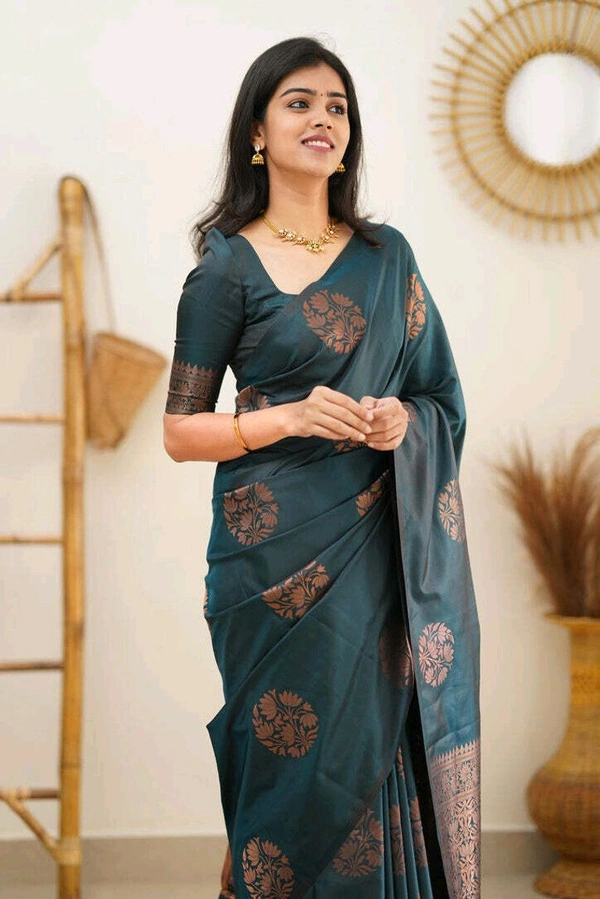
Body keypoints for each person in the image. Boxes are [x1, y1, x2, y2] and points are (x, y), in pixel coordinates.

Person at [164, 36, 480, 899]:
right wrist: (289, 416)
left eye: (337, 106)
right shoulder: (225, 268)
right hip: (268, 567)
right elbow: (180, 431)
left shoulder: (388, 259)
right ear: (256, 132)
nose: (322, 119)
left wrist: (402, 419)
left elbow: (439, 397)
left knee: (377, 748)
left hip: (377, 555)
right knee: (282, 777)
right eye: (299, 102)